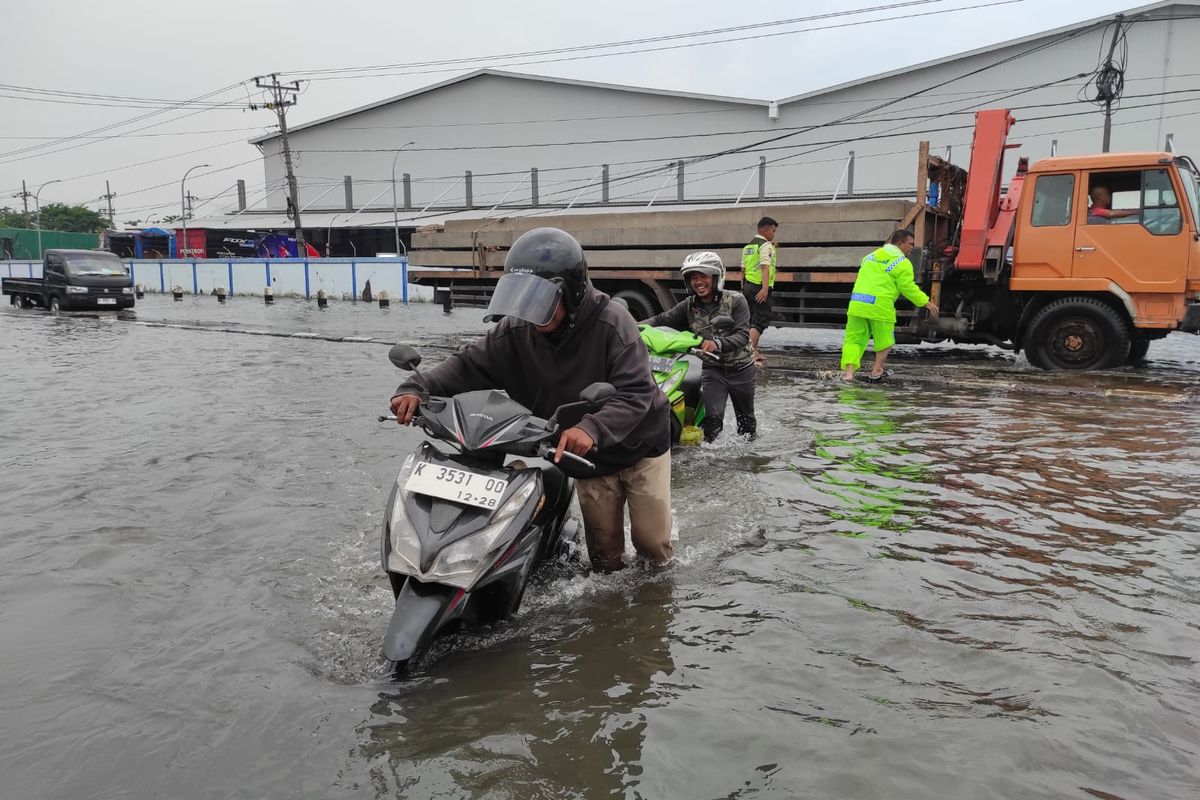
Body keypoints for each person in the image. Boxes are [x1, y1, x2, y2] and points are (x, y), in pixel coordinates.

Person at [389, 227, 673, 573]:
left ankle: (655, 608)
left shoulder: (614, 322)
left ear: (572, 292)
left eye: (544, 300)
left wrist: (592, 427)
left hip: (638, 445)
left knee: (652, 546)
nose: (533, 312)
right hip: (584, 455)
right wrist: (416, 388)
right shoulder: (515, 329)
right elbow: (467, 364)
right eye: (526, 297)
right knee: (604, 556)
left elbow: (636, 392)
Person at [642, 251, 757, 442]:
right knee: (712, 422)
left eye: (703, 276)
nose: (698, 282)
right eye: (693, 278)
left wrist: (717, 343)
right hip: (714, 371)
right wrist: (633, 326)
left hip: (742, 369)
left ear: (716, 276)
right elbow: (662, 319)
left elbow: (743, 336)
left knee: (746, 424)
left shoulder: (736, 300)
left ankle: (750, 461)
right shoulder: (689, 305)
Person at [840, 228, 938, 383]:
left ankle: (849, 375)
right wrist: (924, 301)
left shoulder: (870, 257)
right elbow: (907, 287)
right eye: (910, 244)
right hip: (880, 305)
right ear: (900, 243)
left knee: (853, 340)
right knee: (885, 340)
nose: (912, 247)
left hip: (857, 302)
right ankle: (877, 370)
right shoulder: (902, 263)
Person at [740, 216, 778, 367]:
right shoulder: (765, 246)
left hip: (748, 286)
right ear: (765, 229)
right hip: (759, 286)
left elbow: (742, 270)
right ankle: (750, 353)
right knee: (760, 320)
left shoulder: (748, 247)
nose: (774, 234)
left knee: (751, 319)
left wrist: (742, 287)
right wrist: (764, 288)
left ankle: (754, 350)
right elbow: (765, 267)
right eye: (773, 231)